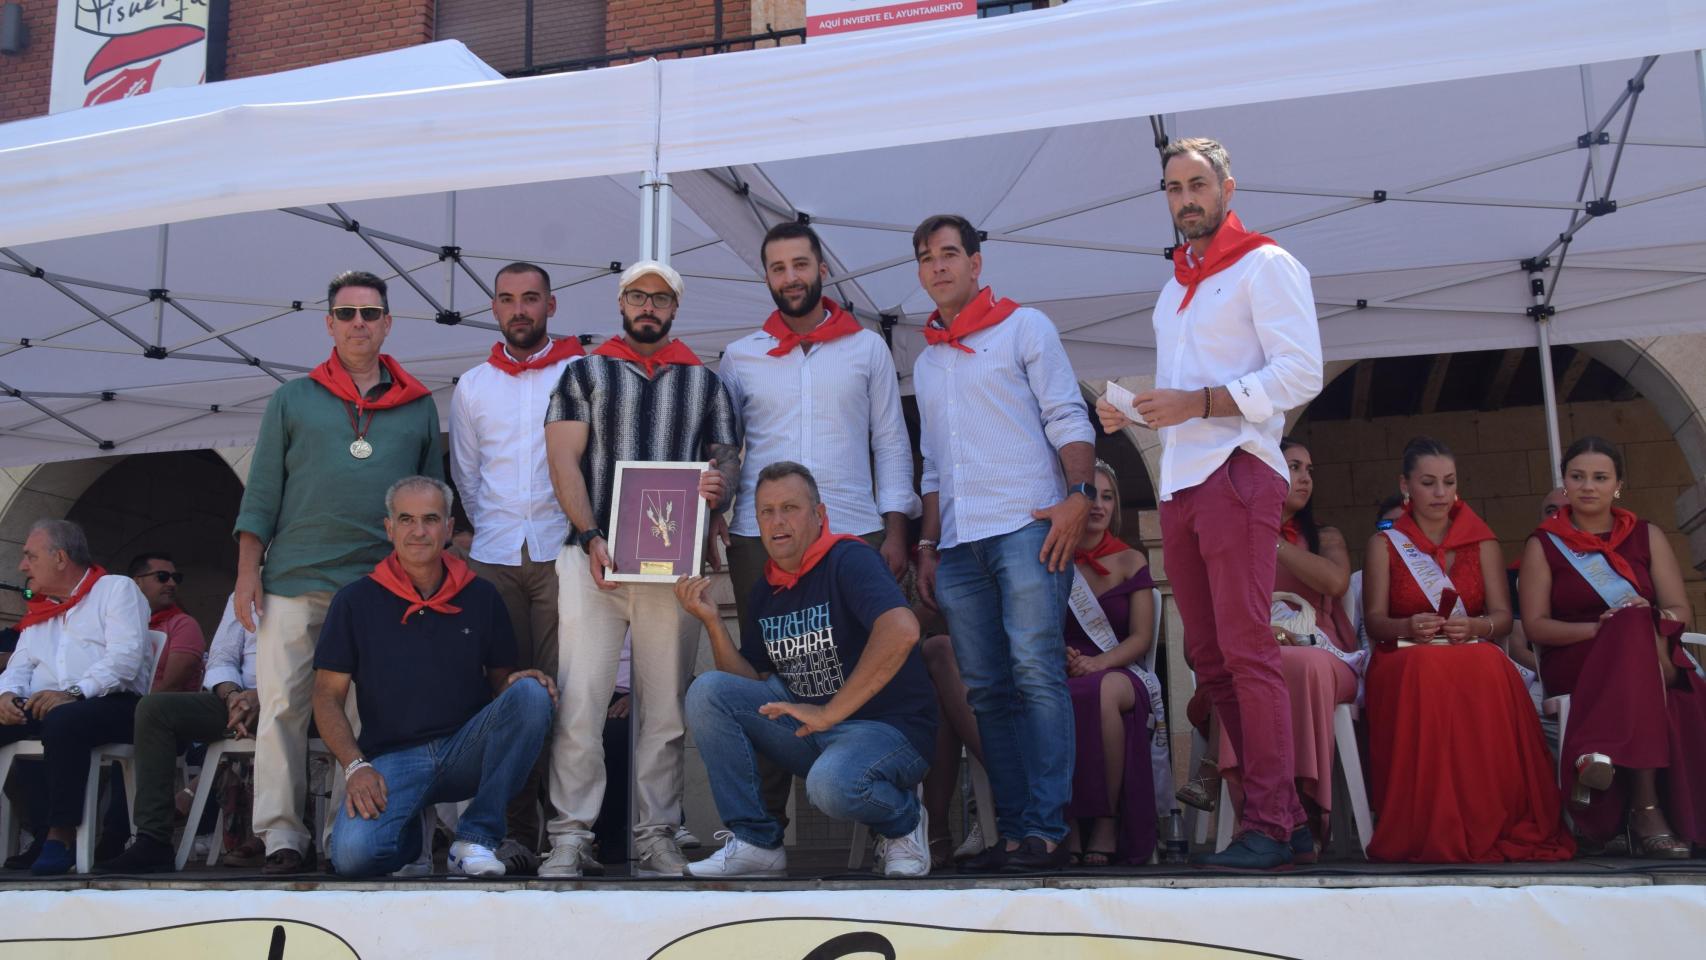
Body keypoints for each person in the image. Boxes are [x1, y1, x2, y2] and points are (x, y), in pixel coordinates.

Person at [1096, 137, 1322, 869]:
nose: (1185, 198)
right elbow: (1186, 400)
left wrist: (1200, 401)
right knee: (1206, 655)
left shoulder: (1268, 264)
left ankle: (1272, 818)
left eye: (1197, 184)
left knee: (1246, 647)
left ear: (1228, 186)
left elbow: (1301, 373)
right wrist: (1135, 412)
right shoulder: (1174, 289)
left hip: (1239, 469)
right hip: (1183, 481)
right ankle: (1275, 816)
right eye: (1172, 188)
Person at [718, 221, 922, 833]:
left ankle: (898, 824)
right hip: (763, 538)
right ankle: (763, 833)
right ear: (768, 278)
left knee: (878, 669)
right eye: (778, 269)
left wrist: (896, 531)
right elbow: (725, 452)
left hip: (854, 531)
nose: (791, 278)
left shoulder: (866, 349)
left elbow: (890, 442)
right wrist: (714, 517)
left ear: (821, 269)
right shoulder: (740, 355)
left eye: (800, 265)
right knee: (767, 680)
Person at [539, 260, 739, 878]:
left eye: (659, 298)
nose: (647, 306)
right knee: (582, 699)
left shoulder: (704, 383)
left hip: (671, 569)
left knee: (664, 708)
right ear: (621, 302)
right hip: (594, 561)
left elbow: (727, 463)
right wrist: (593, 534)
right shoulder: (584, 372)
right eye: (636, 296)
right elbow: (563, 461)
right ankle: (571, 835)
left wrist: (718, 488)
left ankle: (657, 833)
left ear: (674, 309)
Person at [910, 213, 1097, 873]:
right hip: (959, 545)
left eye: (950, 254)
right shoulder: (927, 361)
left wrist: (1080, 498)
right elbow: (932, 466)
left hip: (1027, 529)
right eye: (927, 258)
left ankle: (1048, 829)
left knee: (1036, 676)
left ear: (977, 263)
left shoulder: (1027, 326)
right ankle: (1017, 833)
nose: (939, 267)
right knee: (987, 689)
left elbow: (1068, 415)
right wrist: (928, 544)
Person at [677, 462, 933, 878]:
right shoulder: (767, 589)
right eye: (766, 511)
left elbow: (902, 630)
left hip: (888, 732)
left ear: (819, 516)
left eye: (790, 508)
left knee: (829, 786)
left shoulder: (849, 558)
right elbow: (749, 685)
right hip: (813, 731)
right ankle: (757, 843)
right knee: (709, 692)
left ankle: (904, 822)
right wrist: (711, 622)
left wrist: (829, 713)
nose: (777, 522)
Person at [314, 476, 556, 879]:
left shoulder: (481, 595)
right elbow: (325, 696)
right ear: (389, 528)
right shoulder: (355, 601)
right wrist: (355, 766)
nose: (418, 531)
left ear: (448, 527)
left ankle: (476, 838)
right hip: (393, 759)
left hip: (465, 748)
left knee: (532, 695)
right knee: (353, 859)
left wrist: (521, 685)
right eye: (406, 519)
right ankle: (409, 839)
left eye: (430, 519)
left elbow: (500, 683)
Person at [1360, 436, 1574, 863]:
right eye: (1428, 483)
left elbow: (1500, 618)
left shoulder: (1482, 542)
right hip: (1405, 654)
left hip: (1469, 649)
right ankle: (1430, 820)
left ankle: (1491, 812)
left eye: (1448, 482)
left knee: (1489, 664)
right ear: (1406, 485)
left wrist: (1474, 624)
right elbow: (1375, 623)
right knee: (1425, 667)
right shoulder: (1385, 544)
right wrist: (1408, 625)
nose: (1440, 493)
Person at [449, 261, 584, 868]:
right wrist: (495, 530)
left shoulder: (580, 371)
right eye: (507, 300)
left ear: (551, 306)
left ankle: (569, 836)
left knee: (567, 700)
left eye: (531, 298)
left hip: (563, 551)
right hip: (496, 556)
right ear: (495, 309)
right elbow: (466, 477)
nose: (520, 309)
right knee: (506, 702)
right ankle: (515, 835)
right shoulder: (473, 384)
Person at [1519, 436, 1705, 858]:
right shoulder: (1544, 544)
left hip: (1649, 649)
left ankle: (1601, 761)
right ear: (1564, 483)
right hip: (1580, 659)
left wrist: (1640, 622)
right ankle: (1645, 807)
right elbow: (1536, 626)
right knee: (1631, 634)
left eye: (1600, 477)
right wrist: (1602, 630)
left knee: (1636, 624)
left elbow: (1678, 608)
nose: (1588, 486)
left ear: (1618, 484)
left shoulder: (1646, 535)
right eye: (1577, 476)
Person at [1183, 438, 1361, 861]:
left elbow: (1336, 584)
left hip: (1321, 650)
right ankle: (1266, 815)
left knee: (1299, 665)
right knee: (1255, 667)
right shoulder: (1225, 537)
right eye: (1293, 467)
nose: (1303, 477)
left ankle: (1306, 809)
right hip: (1256, 649)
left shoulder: (1325, 536)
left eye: (1309, 470)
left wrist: (1267, 537)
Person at [0, 520, 151, 875]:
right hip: (51, 704)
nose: (23, 566)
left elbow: (125, 660)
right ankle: (40, 830)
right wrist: (6, 695)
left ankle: (61, 834)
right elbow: (20, 666)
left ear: (60, 558)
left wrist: (73, 692)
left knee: (62, 720)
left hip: (116, 703)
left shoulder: (116, 589)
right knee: (27, 717)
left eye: (30, 556)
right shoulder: (41, 609)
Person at [94, 593, 262, 874]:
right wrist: (233, 695)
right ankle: (153, 841)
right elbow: (221, 657)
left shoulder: (322, 587)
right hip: (236, 700)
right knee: (154, 709)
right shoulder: (243, 593)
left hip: (293, 700)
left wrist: (264, 696)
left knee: (283, 713)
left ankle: (282, 838)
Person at [1060, 460, 1159, 866]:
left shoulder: (1131, 560)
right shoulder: (1053, 558)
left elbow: (1141, 637)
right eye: (1088, 496)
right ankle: (1065, 821)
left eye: (1107, 496)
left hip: (1119, 671)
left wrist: (1099, 663)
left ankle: (1105, 818)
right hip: (1062, 670)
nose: (1098, 505)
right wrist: (1057, 652)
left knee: (1099, 693)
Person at [128, 553, 205, 693]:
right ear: (137, 582)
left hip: (158, 711)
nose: (172, 584)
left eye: (176, 578)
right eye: (162, 576)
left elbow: (170, 688)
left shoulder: (184, 625)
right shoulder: (122, 623)